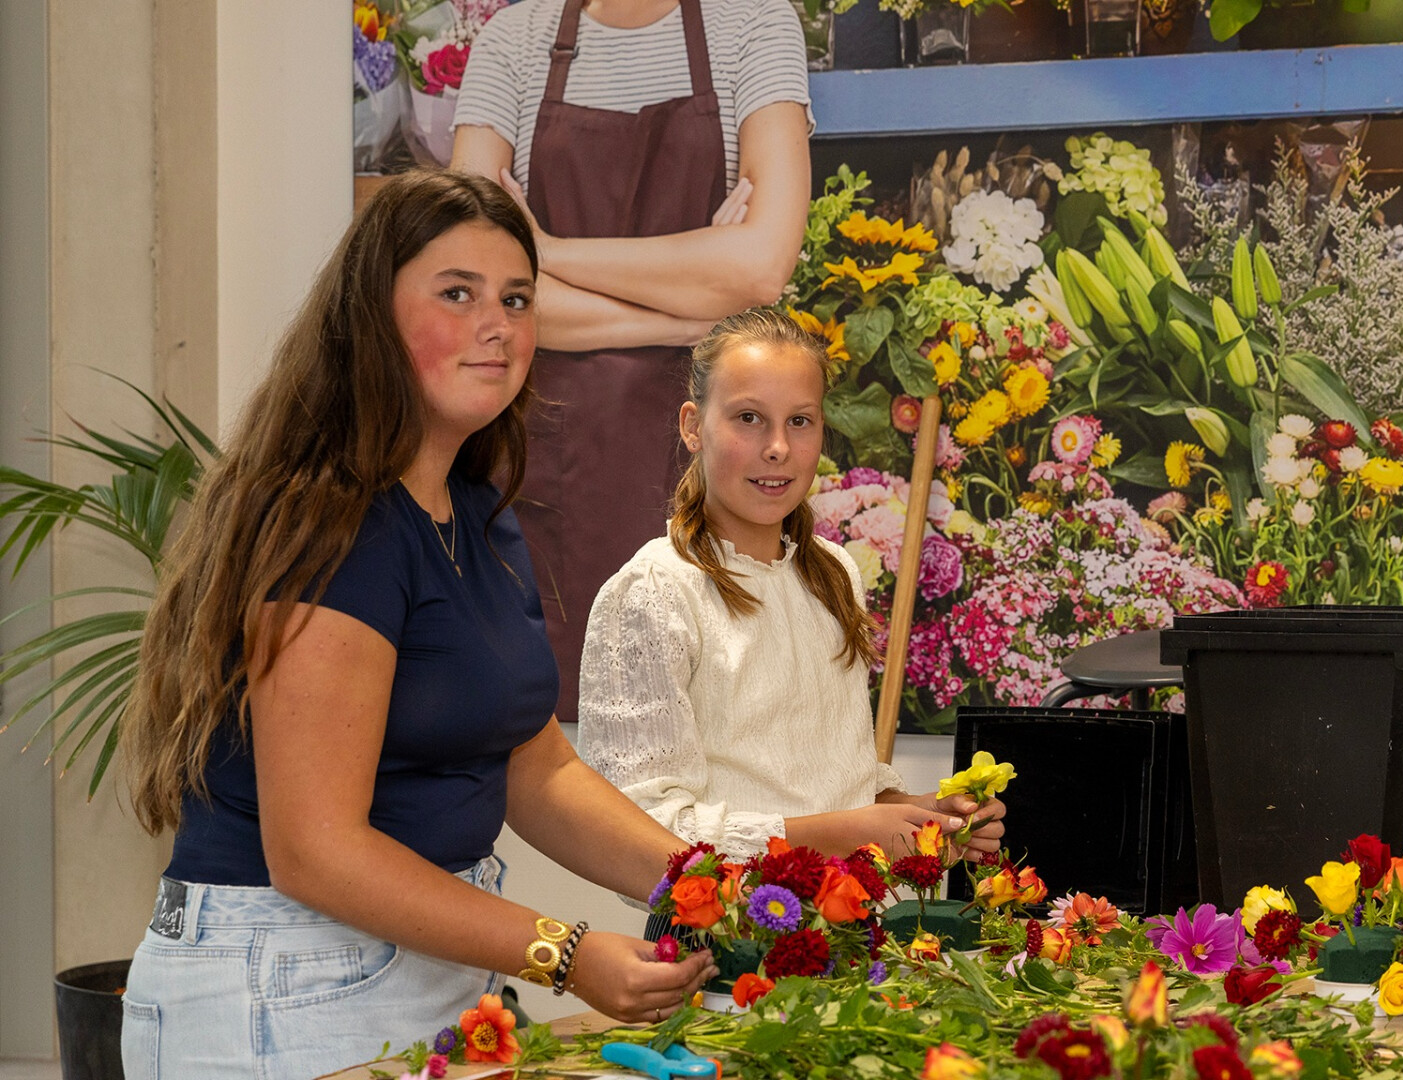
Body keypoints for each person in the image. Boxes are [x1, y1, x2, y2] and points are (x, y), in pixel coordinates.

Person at [119, 170, 719, 1079]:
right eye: (457, 293)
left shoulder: (476, 508)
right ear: (373, 321)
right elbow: (315, 853)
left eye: (517, 298)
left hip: (421, 975)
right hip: (278, 984)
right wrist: (565, 950)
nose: (499, 324)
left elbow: (533, 763)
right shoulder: (334, 523)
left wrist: (708, 884)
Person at [450, 0, 814, 723]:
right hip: (548, 473)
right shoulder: (513, 43)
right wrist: (689, 307)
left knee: (724, 742)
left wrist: (545, 252)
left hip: (717, 466)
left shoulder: (755, 23)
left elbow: (760, 266)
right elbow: (476, 286)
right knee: (555, 754)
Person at [577, 310, 1006, 876]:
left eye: (799, 421)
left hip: (847, 932)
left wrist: (922, 819)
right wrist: (845, 835)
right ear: (691, 425)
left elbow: (835, 787)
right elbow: (640, 833)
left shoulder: (832, 573)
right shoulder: (652, 593)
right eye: (749, 418)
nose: (777, 447)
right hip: (719, 942)